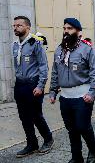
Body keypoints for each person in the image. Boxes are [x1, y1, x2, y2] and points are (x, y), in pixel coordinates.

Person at [49, 18, 95, 163]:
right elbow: (55, 72)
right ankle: (76, 157)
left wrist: (92, 93)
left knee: (83, 126)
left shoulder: (87, 49)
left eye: (70, 28)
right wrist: (53, 91)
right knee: (71, 129)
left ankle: (92, 148)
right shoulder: (59, 49)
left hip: (82, 95)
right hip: (65, 97)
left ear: (78, 31)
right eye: (64, 28)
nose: (66, 31)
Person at [12, 16, 54, 157]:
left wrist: (41, 86)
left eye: (19, 25)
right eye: (14, 25)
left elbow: (43, 66)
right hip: (20, 85)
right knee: (24, 116)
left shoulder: (36, 43)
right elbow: (16, 66)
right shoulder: (15, 45)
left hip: (33, 84)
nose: (15, 28)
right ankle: (31, 143)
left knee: (36, 115)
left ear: (27, 27)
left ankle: (48, 139)